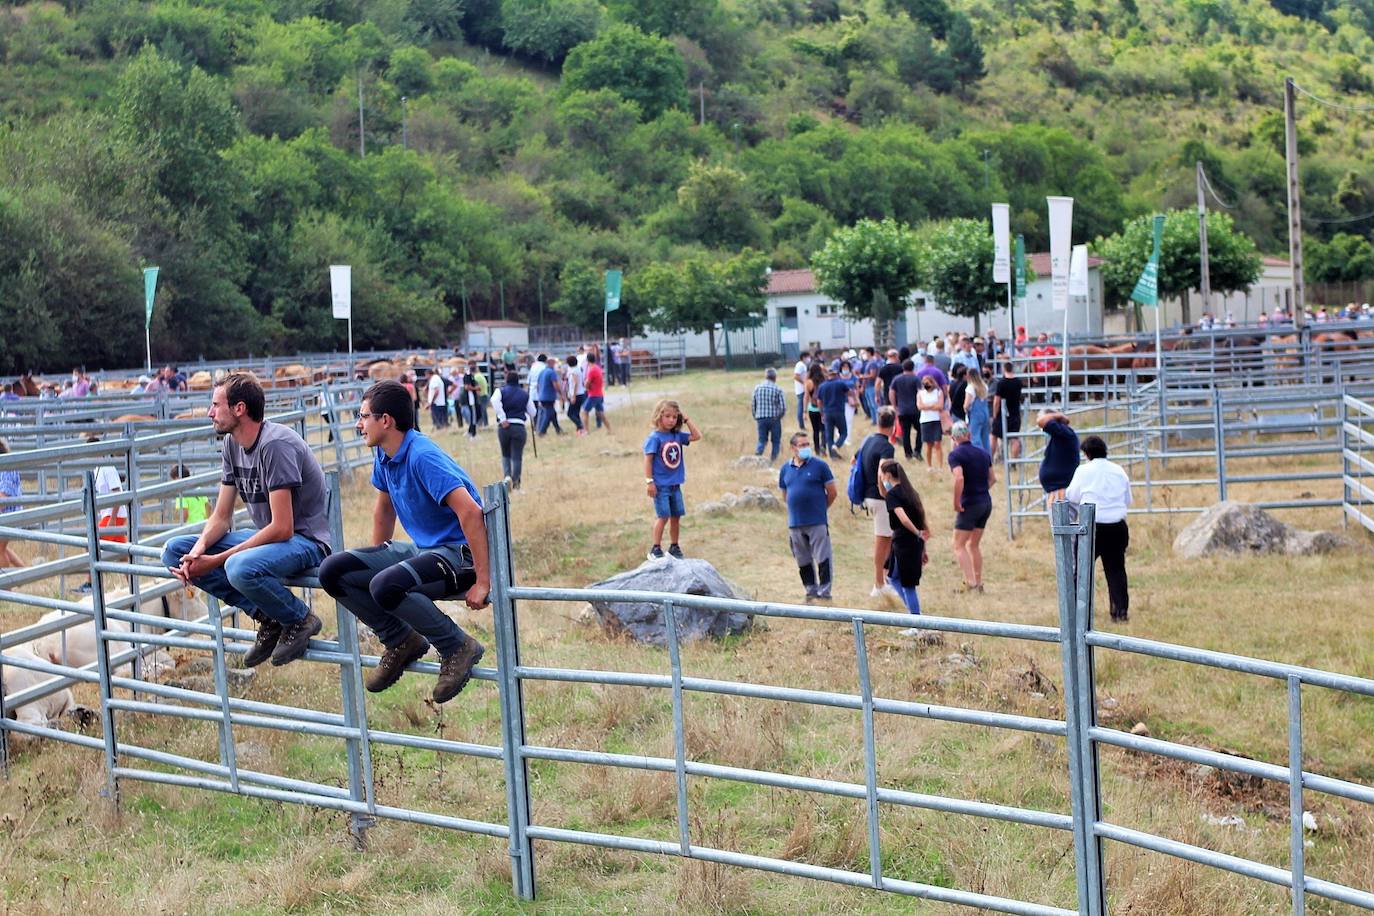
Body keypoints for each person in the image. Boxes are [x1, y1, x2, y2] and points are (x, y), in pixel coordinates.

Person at [317, 381, 489, 704]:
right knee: (333, 571)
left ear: (386, 421)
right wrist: (375, 559)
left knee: (386, 586)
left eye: (363, 416)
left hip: (458, 554)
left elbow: (471, 513)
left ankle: (456, 645)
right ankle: (400, 639)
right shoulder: (384, 455)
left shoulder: (422, 456)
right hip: (424, 550)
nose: (358, 424)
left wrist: (482, 580)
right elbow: (384, 510)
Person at [161, 373, 332, 668]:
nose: (209, 412)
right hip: (272, 538)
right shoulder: (231, 444)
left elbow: (283, 527)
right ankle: (268, 616)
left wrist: (214, 562)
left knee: (237, 566)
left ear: (239, 409)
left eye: (216, 405)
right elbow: (221, 515)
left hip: (306, 541)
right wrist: (199, 550)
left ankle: (299, 618)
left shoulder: (274, 445)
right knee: (174, 551)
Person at [1065, 436, 1134, 623]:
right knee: (1116, 570)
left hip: (1091, 525)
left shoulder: (1083, 470)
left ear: (1086, 454)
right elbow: (1128, 499)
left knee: (1082, 570)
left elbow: (1072, 495)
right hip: (1117, 525)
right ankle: (1120, 612)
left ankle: (1079, 611)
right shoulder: (1119, 471)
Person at [778, 431, 836, 604]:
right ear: (793, 448)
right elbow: (785, 493)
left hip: (817, 521)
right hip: (795, 523)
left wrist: (820, 509)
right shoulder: (785, 469)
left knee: (823, 558)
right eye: (802, 445)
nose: (805, 448)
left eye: (807, 444)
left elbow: (832, 492)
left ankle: (825, 593)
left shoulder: (820, 466)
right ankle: (810, 591)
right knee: (802, 559)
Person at [644, 399, 702, 560]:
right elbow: (648, 460)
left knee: (676, 516)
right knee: (663, 517)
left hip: (675, 485)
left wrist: (687, 420)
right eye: (667, 416)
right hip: (661, 486)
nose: (671, 420)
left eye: (675, 417)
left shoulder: (677, 435)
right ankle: (655, 548)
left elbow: (697, 436)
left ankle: (674, 546)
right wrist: (649, 482)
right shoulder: (654, 438)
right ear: (659, 416)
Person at [878, 459, 930, 617]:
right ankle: (913, 612)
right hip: (912, 542)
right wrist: (922, 543)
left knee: (907, 584)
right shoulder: (912, 493)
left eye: (882, 476)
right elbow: (921, 520)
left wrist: (917, 533)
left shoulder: (893, 495)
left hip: (904, 542)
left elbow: (904, 519)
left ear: (887, 475)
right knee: (893, 577)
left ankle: (915, 619)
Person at [948, 421, 994, 593]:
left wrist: (956, 501)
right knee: (973, 544)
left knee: (958, 545)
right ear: (970, 435)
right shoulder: (983, 453)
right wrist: (981, 491)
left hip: (970, 504)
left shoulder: (955, 455)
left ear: (953, 438)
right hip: (985, 502)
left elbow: (959, 478)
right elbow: (992, 479)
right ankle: (978, 581)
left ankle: (971, 584)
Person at [857, 407, 897, 599]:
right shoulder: (886, 447)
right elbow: (884, 470)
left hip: (868, 495)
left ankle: (883, 581)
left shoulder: (868, 441)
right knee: (883, 540)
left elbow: (853, 460)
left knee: (886, 539)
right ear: (893, 424)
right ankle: (878, 584)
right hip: (880, 497)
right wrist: (886, 491)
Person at [491, 366, 536, 489]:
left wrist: (502, 417)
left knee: (505, 453)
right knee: (517, 455)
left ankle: (507, 477)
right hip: (519, 426)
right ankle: (516, 483)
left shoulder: (501, 391)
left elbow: (494, 401)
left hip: (504, 427)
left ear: (507, 380)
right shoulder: (524, 394)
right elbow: (533, 412)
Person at [1036, 408, 1080, 510]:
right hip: (1057, 489)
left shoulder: (1064, 433)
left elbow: (1041, 422)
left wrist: (1058, 416)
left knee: (1061, 524)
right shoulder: (1060, 435)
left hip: (1060, 490)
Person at [888, 359, 923, 460]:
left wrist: (895, 406)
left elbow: (891, 392)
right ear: (913, 367)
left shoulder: (897, 379)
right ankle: (917, 451)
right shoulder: (916, 379)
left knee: (905, 432)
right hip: (915, 410)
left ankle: (908, 453)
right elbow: (920, 392)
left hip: (902, 410)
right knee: (920, 430)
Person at [750, 367, 787, 463]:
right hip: (774, 418)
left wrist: (755, 415)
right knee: (775, 441)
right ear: (775, 377)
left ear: (765, 377)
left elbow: (753, 403)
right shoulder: (778, 389)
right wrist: (779, 417)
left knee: (762, 439)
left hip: (760, 418)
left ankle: (758, 453)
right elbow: (783, 407)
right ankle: (773, 459)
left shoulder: (757, 388)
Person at [991, 361, 1024, 461]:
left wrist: (994, 414)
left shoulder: (1001, 383)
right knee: (1014, 438)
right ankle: (1013, 462)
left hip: (1002, 413)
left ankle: (990, 460)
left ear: (1004, 369)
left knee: (994, 436)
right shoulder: (1018, 382)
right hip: (1015, 413)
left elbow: (996, 401)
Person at [0, 437, 25, 569]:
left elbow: (3, 499)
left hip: (8, 514)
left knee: (0, 549)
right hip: (5, 513)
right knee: (1, 547)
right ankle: (25, 573)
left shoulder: (6, 467)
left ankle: (6, 587)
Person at [816, 368, 850, 459]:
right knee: (843, 433)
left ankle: (832, 455)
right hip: (839, 411)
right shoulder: (841, 383)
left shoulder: (822, 386)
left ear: (828, 375)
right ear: (836, 374)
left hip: (827, 413)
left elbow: (819, 401)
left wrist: (821, 413)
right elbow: (849, 392)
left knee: (829, 435)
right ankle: (836, 446)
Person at [916, 374, 945, 472]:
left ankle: (940, 466)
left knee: (938, 443)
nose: (926, 385)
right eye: (924, 383)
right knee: (928, 444)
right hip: (925, 420)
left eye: (928, 383)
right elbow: (920, 406)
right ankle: (929, 465)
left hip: (936, 420)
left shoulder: (938, 392)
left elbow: (940, 406)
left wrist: (927, 407)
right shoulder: (920, 393)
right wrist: (933, 406)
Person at [534, 354, 563, 436]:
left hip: (542, 396)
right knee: (548, 414)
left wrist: (539, 394)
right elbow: (555, 384)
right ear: (551, 363)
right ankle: (542, 431)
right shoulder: (551, 372)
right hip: (549, 396)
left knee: (552, 413)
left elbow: (538, 385)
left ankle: (558, 429)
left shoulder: (542, 372)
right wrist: (561, 393)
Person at [582, 353, 611, 432]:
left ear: (587, 360)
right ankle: (609, 429)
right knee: (600, 413)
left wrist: (585, 385)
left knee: (584, 411)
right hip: (599, 393)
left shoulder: (591, 370)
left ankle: (586, 431)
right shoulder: (597, 368)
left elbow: (587, 383)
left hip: (593, 395)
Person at [965, 369, 991, 455]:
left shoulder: (970, 387)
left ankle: (978, 457)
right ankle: (987, 458)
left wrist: (965, 410)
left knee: (975, 437)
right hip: (985, 412)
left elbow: (966, 404)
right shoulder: (984, 386)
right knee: (985, 438)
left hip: (975, 414)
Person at [803, 362, 826, 447]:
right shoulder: (824, 381)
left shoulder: (808, 382)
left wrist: (804, 411)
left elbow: (806, 397)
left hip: (812, 409)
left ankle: (817, 448)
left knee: (815, 430)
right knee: (824, 429)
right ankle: (823, 446)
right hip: (823, 409)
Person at [564, 354, 587, 435]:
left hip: (576, 394)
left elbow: (575, 383)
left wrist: (573, 396)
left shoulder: (573, 371)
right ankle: (579, 431)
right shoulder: (578, 369)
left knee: (570, 413)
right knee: (576, 413)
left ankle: (580, 426)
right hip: (581, 393)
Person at [792, 350, 810, 430]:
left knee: (802, 406)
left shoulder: (803, 365)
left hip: (802, 389)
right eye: (807, 357)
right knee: (801, 407)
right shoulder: (800, 365)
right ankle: (801, 425)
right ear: (803, 357)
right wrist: (804, 383)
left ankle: (802, 424)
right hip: (801, 390)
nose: (809, 359)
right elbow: (796, 376)